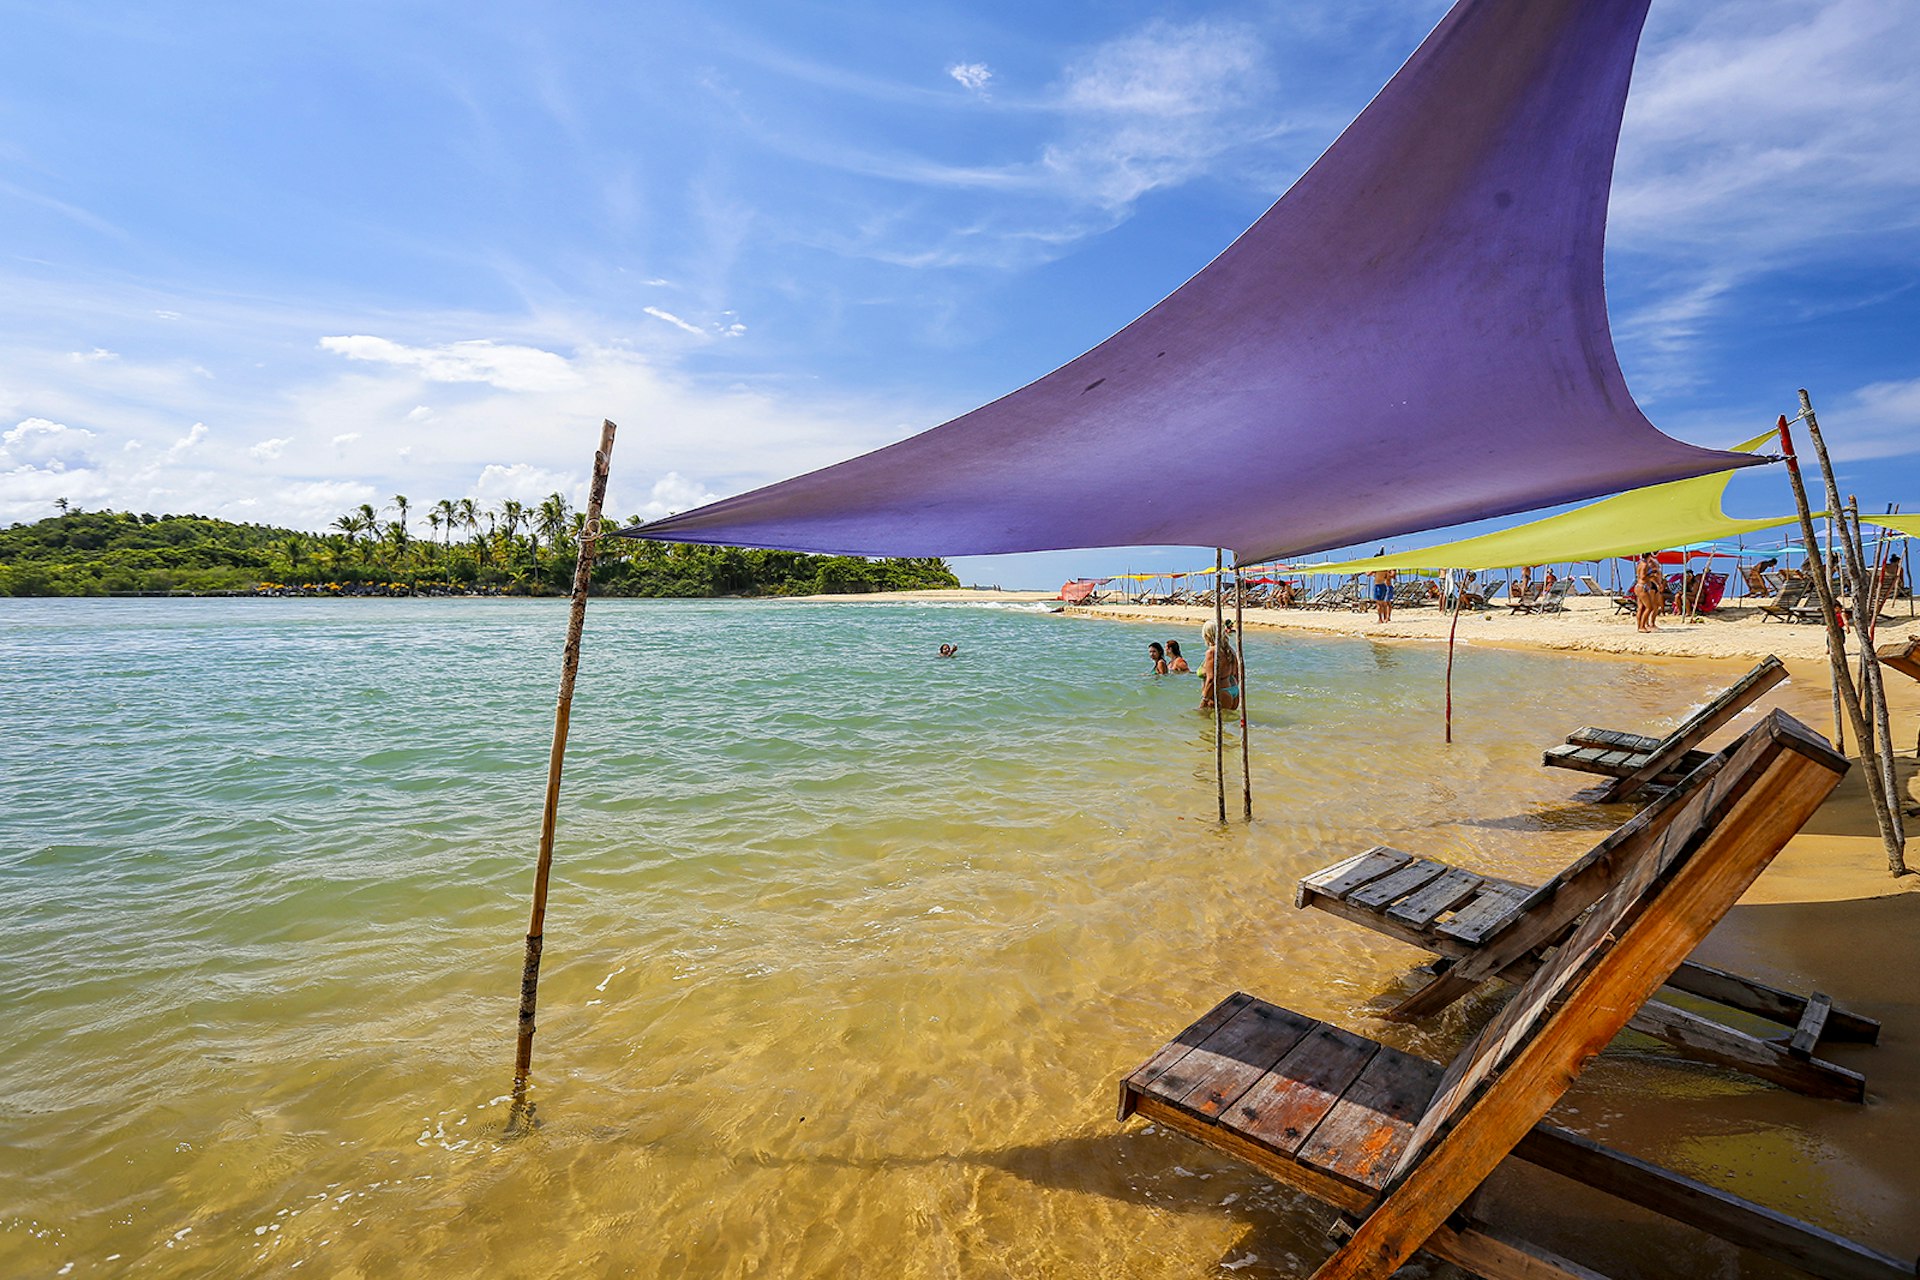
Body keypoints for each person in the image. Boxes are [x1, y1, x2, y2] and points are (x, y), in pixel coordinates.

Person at [1198, 619, 1240, 712]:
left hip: (1220, 692)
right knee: (1227, 723)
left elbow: (1211, 679)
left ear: (1207, 634)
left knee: (1209, 724)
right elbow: (1237, 675)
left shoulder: (1212, 652)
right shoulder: (1229, 650)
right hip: (1233, 690)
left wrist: (1204, 701)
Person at [1634, 553, 1664, 632]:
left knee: (1641, 608)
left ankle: (1640, 626)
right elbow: (1643, 576)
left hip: (1640, 586)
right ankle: (1642, 626)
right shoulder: (1644, 565)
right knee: (1649, 607)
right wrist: (1652, 574)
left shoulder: (1640, 563)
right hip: (1642, 586)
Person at [1370, 552, 1395, 623]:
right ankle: (1385, 618)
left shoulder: (1376, 567)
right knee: (1384, 603)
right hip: (1383, 585)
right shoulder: (1385, 568)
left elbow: (1368, 574)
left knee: (1379, 604)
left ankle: (1380, 619)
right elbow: (1387, 577)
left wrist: (1365, 570)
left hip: (1378, 585)